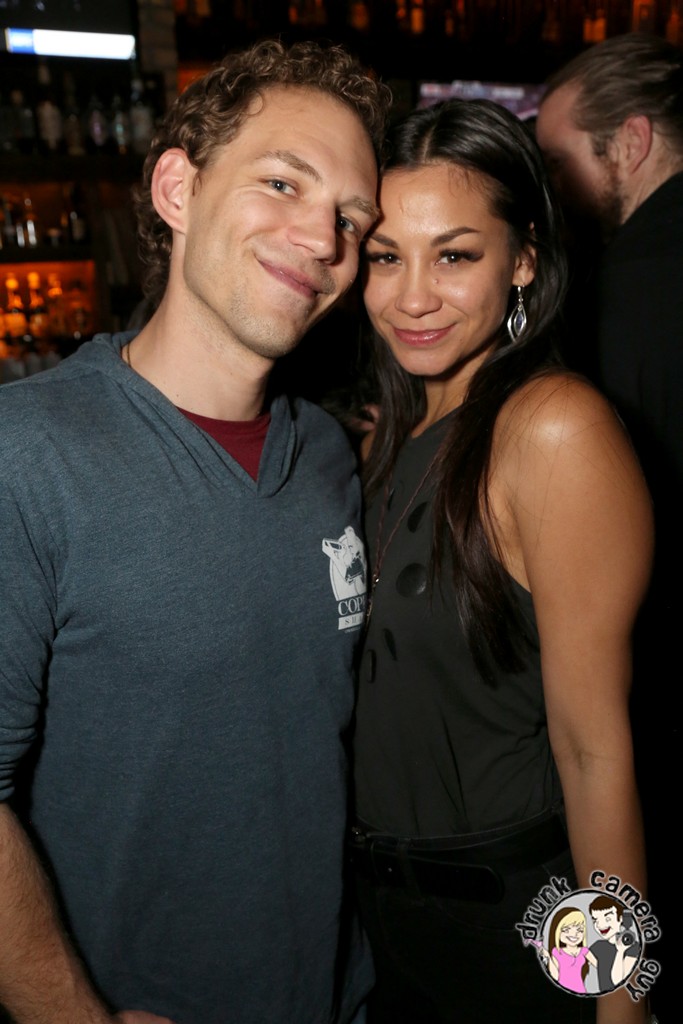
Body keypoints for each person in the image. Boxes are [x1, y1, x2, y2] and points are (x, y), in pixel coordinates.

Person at [0, 39, 390, 1024]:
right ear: (178, 188)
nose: (323, 238)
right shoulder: (28, 454)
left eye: (350, 217)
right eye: (282, 183)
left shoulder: (325, 456)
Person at [349, 98, 652, 1024]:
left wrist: (620, 1000)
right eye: (384, 257)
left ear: (523, 258)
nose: (411, 296)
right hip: (383, 924)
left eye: (453, 255)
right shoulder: (390, 435)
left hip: (519, 920)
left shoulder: (554, 429)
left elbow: (594, 754)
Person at [536, 35, 683, 1011]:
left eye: (557, 162)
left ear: (628, 143)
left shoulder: (609, 296)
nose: (548, 191)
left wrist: (615, 995)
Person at [588, 895, 641, 992]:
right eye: (595, 920)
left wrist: (620, 951)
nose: (600, 925)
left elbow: (618, 982)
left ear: (620, 919)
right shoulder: (598, 946)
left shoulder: (633, 947)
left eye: (608, 919)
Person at [544, 907, 597, 995]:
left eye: (580, 930)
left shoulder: (584, 951)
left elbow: (600, 966)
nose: (574, 934)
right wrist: (548, 958)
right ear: (557, 931)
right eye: (566, 930)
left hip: (580, 991)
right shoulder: (557, 952)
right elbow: (555, 977)